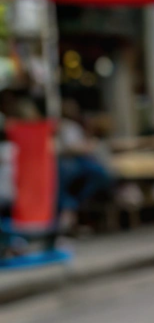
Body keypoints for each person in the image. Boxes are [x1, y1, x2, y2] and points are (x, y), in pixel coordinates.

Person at [57, 98, 112, 230]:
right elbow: (71, 147)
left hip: (78, 163)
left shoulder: (74, 126)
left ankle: (73, 209)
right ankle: (72, 208)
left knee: (100, 175)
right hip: (73, 162)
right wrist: (87, 147)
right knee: (101, 174)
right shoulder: (66, 126)